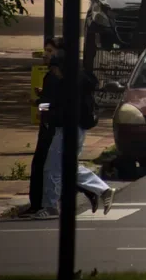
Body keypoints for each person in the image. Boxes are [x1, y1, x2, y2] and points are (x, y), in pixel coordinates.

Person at [35, 50, 115, 220]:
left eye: (55, 68)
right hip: (75, 129)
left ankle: (50, 206)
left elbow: (58, 109)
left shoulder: (67, 85)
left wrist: (42, 109)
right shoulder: (78, 80)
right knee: (67, 167)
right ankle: (102, 190)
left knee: (52, 168)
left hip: (66, 130)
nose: (54, 72)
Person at [19, 39, 64, 218]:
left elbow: (51, 105)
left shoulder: (53, 75)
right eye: (45, 50)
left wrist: (37, 103)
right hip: (49, 125)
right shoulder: (52, 75)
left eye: (49, 50)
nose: (46, 54)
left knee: (43, 165)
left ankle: (40, 204)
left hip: (50, 126)